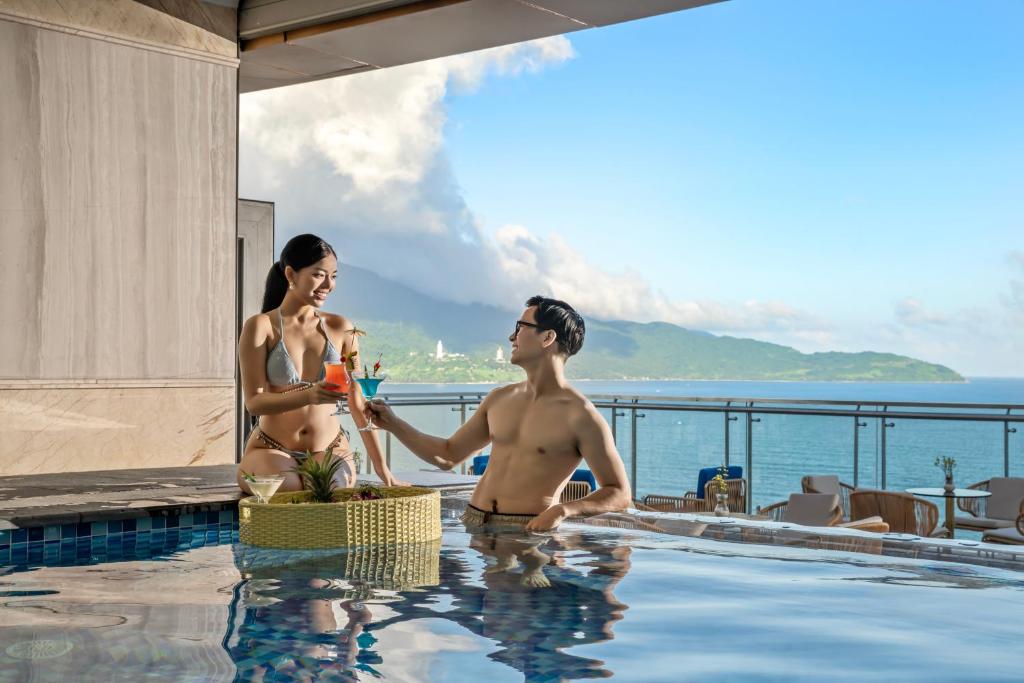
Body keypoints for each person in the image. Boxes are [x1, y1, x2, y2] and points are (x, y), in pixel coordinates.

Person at [366, 296, 631, 531]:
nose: (511, 337)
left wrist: (563, 510)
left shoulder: (580, 415)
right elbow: (447, 455)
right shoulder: (500, 399)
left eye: (520, 327)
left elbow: (619, 492)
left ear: (547, 337)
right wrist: (393, 424)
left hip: (527, 532)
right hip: (473, 522)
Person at [236, 234, 403, 493]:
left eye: (334, 276)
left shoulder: (342, 328)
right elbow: (254, 402)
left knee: (327, 488)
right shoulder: (261, 327)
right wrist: (309, 395)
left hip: (330, 446)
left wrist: (382, 468)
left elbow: (357, 402)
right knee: (289, 488)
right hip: (271, 447)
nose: (328, 284)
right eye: (319, 274)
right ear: (291, 274)